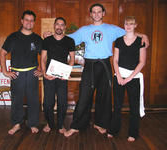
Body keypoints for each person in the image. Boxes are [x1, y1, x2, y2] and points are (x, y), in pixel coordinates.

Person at [62, 3, 149, 137]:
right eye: (94, 12)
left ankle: (100, 123)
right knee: (84, 96)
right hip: (90, 65)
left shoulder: (111, 29)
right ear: (90, 14)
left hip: (105, 65)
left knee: (105, 96)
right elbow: (68, 39)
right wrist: (52, 35)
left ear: (103, 13)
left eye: (99, 12)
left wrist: (143, 35)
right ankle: (77, 126)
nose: (96, 14)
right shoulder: (84, 30)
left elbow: (129, 32)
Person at [0, 10, 43, 135]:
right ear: (22, 21)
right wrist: (4, 71)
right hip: (16, 74)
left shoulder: (37, 38)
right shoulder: (13, 37)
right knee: (17, 100)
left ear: (34, 22)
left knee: (33, 100)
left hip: (32, 73)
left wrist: (42, 70)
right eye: (26, 20)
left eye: (31, 20)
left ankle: (33, 123)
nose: (29, 22)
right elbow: (2, 53)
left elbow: (44, 56)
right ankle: (16, 124)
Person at [107, 16, 146, 142]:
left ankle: (133, 133)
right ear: (124, 25)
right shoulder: (118, 41)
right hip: (119, 76)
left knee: (134, 107)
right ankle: (114, 130)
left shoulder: (141, 41)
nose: (128, 26)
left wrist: (129, 78)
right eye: (126, 24)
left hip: (133, 78)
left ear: (135, 25)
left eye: (131, 24)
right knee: (117, 105)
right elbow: (115, 60)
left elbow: (142, 62)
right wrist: (118, 75)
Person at [41, 17, 75, 134]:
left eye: (62, 25)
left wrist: (67, 72)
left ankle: (60, 125)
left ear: (64, 27)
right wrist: (44, 73)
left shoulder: (69, 41)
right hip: (49, 76)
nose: (59, 27)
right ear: (54, 26)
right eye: (57, 24)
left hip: (62, 76)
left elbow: (72, 59)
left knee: (62, 102)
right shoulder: (47, 40)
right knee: (47, 102)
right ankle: (49, 123)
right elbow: (43, 58)